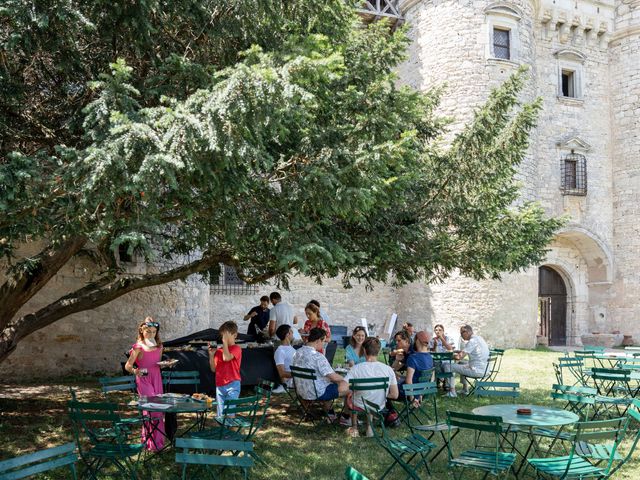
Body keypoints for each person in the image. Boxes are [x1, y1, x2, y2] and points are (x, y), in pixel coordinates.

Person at [343, 337, 398, 437]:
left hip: (358, 403)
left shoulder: (356, 368)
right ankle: (369, 428)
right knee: (371, 397)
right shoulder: (388, 369)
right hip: (378, 404)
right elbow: (395, 395)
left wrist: (350, 391)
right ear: (379, 351)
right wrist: (382, 393)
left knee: (353, 396)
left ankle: (355, 428)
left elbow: (342, 388)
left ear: (364, 350)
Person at [125, 317, 165, 451]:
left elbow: (157, 364)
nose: (151, 334)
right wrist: (136, 371)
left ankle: (158, 442)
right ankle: (148, 442)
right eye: (148, 331)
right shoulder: (138, 347)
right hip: (144, 379)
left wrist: (166, 365)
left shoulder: (159, 346)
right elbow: (128, 366)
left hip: (157, 378)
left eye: (154, 332)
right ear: (142, 331)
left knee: (159, 410)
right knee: (150, 409)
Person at [291, 328, 346, 421]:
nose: (324, 344)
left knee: (326, 383)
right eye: (323, 341)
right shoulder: (317, 356)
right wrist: (346, 378)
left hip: (302, 392)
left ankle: (330, 413)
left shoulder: (297, 353)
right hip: (317, 393)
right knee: (348, 386)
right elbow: (333, 376)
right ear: (318, 340)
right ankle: (346, 417)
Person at [208, 321, 242, 417]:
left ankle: (229, 431)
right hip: (220, 386)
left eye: (226, 336)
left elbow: (226, 358)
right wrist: (211, 355)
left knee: (229, 413)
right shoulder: (219, 351)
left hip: (233, 385)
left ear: (235, 335)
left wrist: (225, 343)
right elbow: (213, 369)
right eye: (223, 336)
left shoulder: (237, 348)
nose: (224, 338)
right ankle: (223, 431)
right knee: (221, 415)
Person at [445, 324, 490, 397]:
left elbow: (459, 357)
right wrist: (458, 351)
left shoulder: (472, 341)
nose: (461, 336)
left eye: (461, 333)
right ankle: (465, 389)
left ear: (467, 332)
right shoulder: (479, 338)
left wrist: (449, 355)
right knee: (462, 363)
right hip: (485, 369)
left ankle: (452, 392)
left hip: (477, 371)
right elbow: (469, 352)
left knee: (447, 366)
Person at [429, 324, 455, 389]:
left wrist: (441, 338)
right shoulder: (433, 340)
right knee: (435, 364)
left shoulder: (448, 338)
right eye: (436, 330)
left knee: (447, 365)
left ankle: (446, 383)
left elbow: (450, 349)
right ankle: (438, 382)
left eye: (440, 330)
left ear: (443, 331)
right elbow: (431, 351)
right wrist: (435, 346)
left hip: (447, 360)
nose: (438, 332)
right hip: (437, 360)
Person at [273, 324, 296, 393]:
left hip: (298, 376)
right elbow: (282, 373)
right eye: (291, 331)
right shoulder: (280, 351)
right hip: (292, 381)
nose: (293, 333)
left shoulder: (290, 347)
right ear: (287, 334)